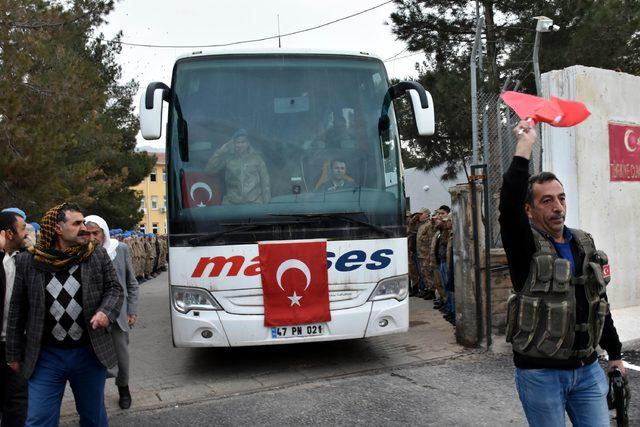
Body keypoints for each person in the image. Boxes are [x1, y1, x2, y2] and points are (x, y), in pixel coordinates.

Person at [499, 120, 624, 427]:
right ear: (529, 210)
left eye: (561, 198)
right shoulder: (523, 246)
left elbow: (598, 302)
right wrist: (524, 147)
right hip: (540, 375)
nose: (557, 207)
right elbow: (508, 205)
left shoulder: (582, 242)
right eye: (547, 200)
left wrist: (615, 353)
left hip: (588, 371)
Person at [6, 203, 123, 427]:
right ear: (58, 228)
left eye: (84, 222)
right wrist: (13, 354)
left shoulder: (95, 255)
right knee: (38, 420)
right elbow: (16, 310)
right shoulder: (29, 262)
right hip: (46, 357)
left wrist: (105, 312)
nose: (85, 228)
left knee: (93, 419)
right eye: (77, 223)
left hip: (88, 352)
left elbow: (114, 289)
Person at [85, 215, 139, 410]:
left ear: (104, 233)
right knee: (94, 360)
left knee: (122, 358)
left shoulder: (120, 249)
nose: (91, 238)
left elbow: (131, 283)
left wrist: (131, 310)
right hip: (93, 318)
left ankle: (123, 389)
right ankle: (94, 396)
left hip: (118, 316)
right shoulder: (82, 253)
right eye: (87, 233)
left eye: (95, 233)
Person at [0, 211, 29, 426]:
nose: (26, 233)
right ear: (9, 233)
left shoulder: (25, 260)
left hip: (17, 345)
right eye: (23, 228)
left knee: (17, 403)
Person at [205, 128, 271, 204]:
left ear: (248, 143)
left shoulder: (257, 158)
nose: (240, 145)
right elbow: (209, 170)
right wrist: (221, 151)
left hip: (254, 203)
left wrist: (266, 204)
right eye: (237, 142)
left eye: (243, 142)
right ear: (233, 144)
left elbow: (265, 182)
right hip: (232, 205)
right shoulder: (228, 159)